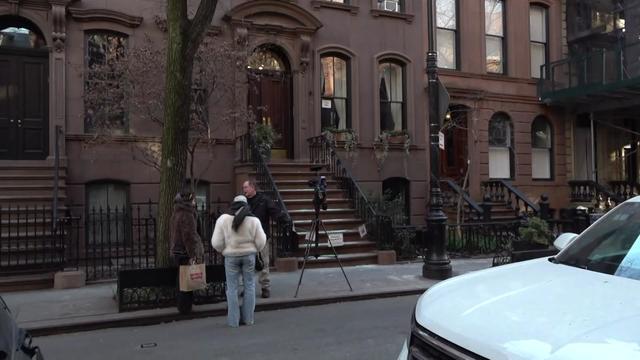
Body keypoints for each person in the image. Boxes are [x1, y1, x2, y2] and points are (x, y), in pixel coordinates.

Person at [212, 195, 266, 328]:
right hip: (249, 256)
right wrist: (254, 248)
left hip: (231, 256)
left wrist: (224, 249)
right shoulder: (254, 220)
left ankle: (233, 321)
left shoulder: (223, 219)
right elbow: (261, 242)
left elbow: (216, 243)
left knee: (232, 288)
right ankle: (248, 319)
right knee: (249, 285)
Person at [243, 180, 282, 298]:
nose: (244, 189)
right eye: (243, 187)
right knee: (247, 264)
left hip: (262, 236)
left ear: (253, 187)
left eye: (246, 187)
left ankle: (265, 287)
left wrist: (283, 219)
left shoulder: (264, 200)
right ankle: (247, 288)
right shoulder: (243, 201)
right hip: (247, 237)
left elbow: (274, 212)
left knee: (264, 263)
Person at [169, 191, 205, 314]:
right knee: (187, 282)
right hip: (184, 252)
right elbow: (189, 236)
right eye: (194, 200)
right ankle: (185, 307)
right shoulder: (187, 214)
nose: (195, 202)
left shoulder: (176, 212)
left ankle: (182, 305)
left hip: (177, 251)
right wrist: (193, 255)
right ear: (189, 200)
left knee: (182, 280)